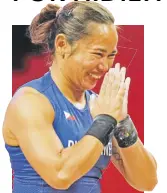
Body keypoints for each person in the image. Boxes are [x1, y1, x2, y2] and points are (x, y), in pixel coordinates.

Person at [2, 1, 157, 193]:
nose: (105, 66)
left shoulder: (99, 107)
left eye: (111, 55)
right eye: (98, 54)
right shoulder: (30, 102)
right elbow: (60, 175)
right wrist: (106, 120)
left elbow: (146, 181)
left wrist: (121, 120)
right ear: (62, 45)